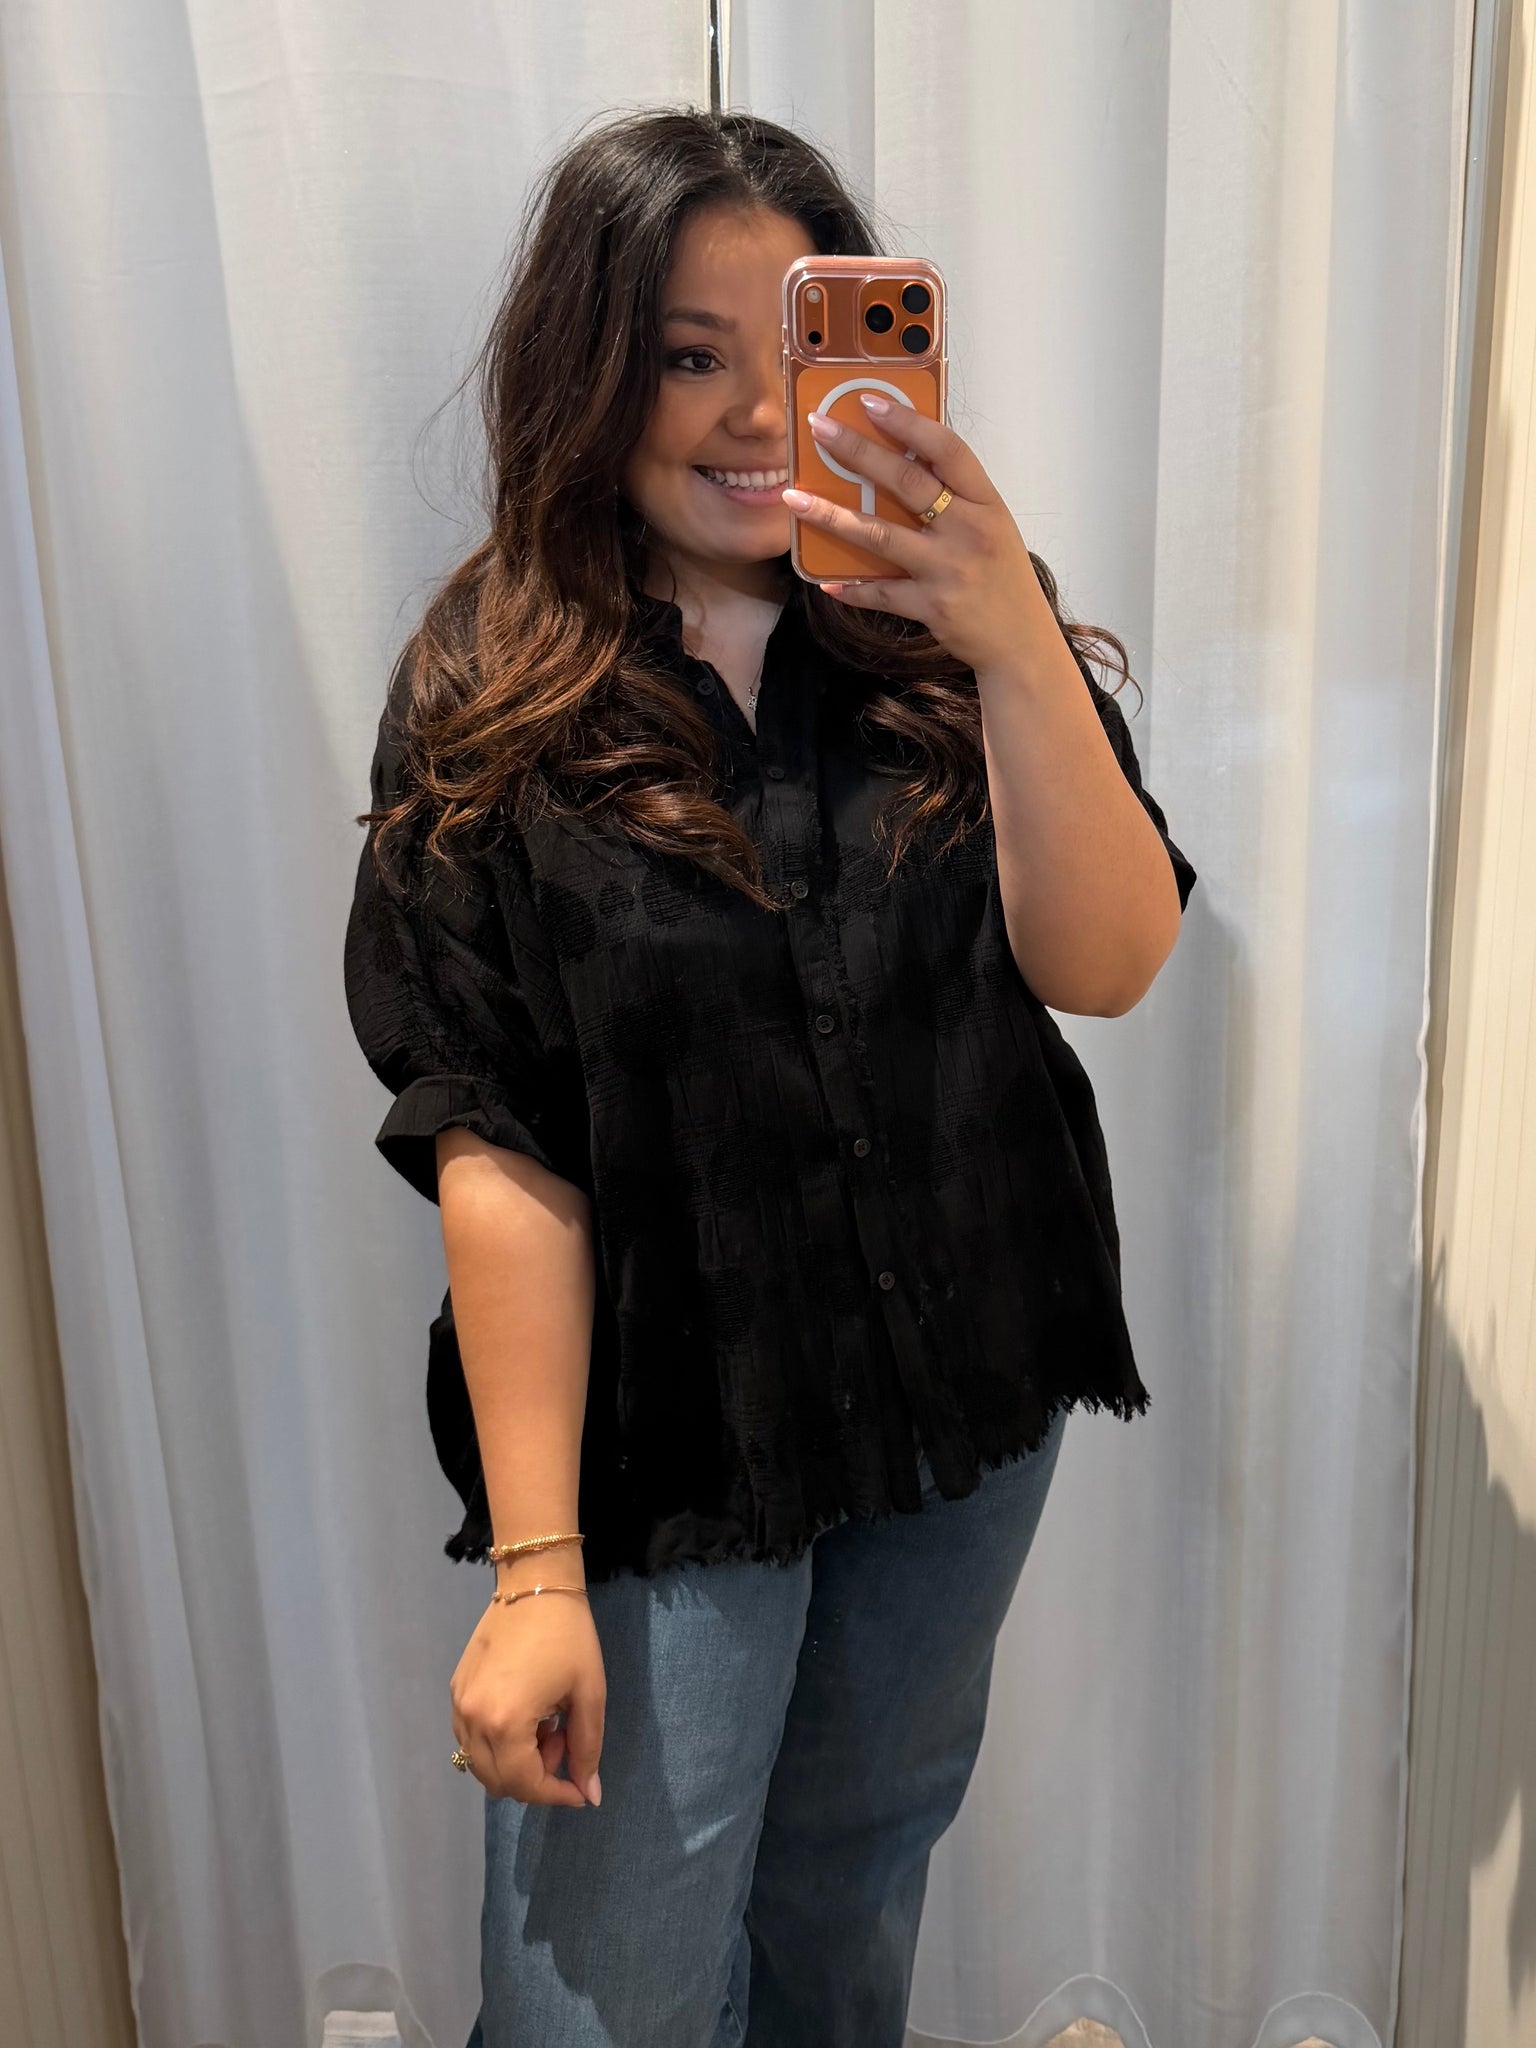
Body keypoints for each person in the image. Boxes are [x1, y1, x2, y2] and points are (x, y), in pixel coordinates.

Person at [343, 106, 1195, 2048]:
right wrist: (535, 1572)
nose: (750, 413)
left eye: (793, 347)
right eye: (685, 353)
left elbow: (1110, 961)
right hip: (671, 1448)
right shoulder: (495, 685)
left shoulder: (949, 625)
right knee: (608, 1992)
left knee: (846, 1897)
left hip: (959, 1393)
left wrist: (1009, 638)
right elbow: (495, 1137)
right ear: (592, 374)